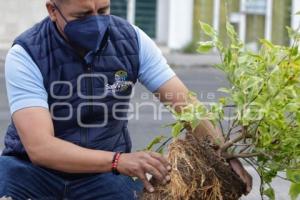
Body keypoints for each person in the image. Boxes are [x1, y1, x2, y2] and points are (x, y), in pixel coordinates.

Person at [0, 0, 252, 199]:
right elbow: (41, 148)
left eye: (103, 10)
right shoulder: (27, 53)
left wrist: (226, 155)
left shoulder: (131, 41)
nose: (96, 22)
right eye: (83, 15)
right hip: (32, 173)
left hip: (103, 176)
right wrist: (119, 161)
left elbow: (185, 104)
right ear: (53, 10)